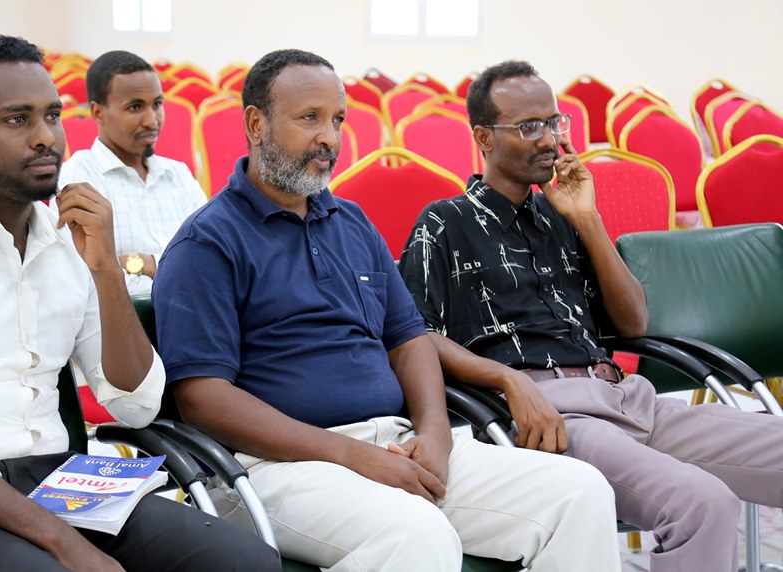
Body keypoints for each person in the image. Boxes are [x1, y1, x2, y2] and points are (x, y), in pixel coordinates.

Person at [153, 49, 622, 572]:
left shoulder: (352, 223)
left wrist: (434, 434)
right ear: (256, 124)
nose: (329, 138)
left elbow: (409, 340)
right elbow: (203, 398)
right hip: (272, 467)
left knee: (580, 493)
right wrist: (352, 456)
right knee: (416, 533)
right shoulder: (207, 242)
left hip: (394, 440)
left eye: (337, 120)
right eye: (309, 118)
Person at [0, 34, 278, 572]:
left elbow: (134, 404)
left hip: (53, 484)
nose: (46, 138)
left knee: (243, 561)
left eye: (53, 116)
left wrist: (106, 271)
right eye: (17, 120)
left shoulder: (67, 241)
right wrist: (67, 546)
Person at [398, 60, 783, 571]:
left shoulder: (562, 216)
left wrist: (588, 218)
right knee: (703, 503)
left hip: (627, 399)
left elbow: (633, 324)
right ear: (484, 137)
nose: (549, 139)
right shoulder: (445, 223)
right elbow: (415, 336)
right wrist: (509, 382)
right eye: (528, 127)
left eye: (553, 122)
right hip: (550, 416)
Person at [55, 50, 206, 297]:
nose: (152, 121)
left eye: (157, 104)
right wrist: (171, 268)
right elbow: (83, 278)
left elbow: (211, 259)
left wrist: (145, 263)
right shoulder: (76, 180)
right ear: (97, 112)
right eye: (135, 107)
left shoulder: (178, 175)